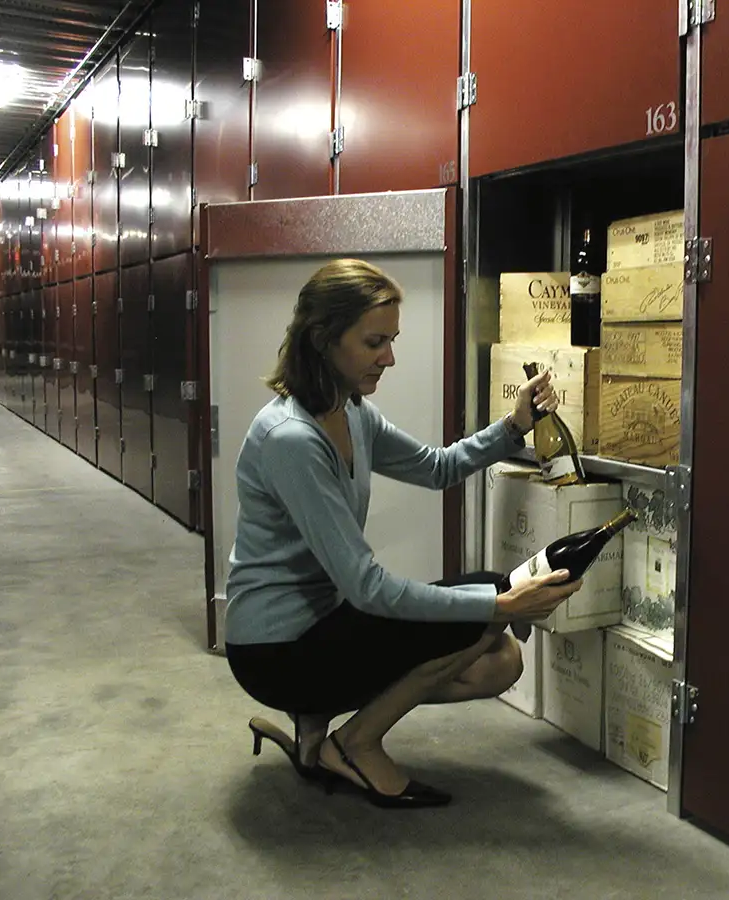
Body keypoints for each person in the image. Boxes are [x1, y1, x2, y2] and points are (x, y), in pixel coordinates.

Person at [223, 259, 582, 809]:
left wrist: (515, 426)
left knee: (500, 653)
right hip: (277, 650)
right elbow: (366, 587)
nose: (389, 357)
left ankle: (319, 726)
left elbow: (438, 467)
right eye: (374, 342)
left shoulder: (351, 412)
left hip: (325, 624)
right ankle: (355, 743)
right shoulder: (290, 438)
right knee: (483, 614)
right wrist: (497, 604)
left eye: (390, 340)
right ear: (323, 340)